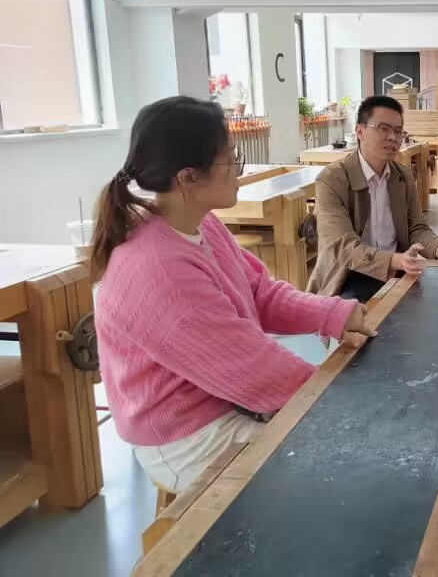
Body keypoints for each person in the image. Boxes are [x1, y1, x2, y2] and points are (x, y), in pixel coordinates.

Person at [91, 96, 370, 492]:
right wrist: (340, 396)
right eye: (231, 160)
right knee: (332, 475)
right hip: (188, 434)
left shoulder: (200, 225)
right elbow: (251, 369)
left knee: (345, 453)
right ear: (188, 177)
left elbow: (259, 292)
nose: (240, 171)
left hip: (225, 398)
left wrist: (333, 314)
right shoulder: (158, 268)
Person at [307, 95, 438, 300]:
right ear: (360, 131)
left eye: (398, 131)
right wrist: (394, 260)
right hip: (347, 277)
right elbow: (343, 248)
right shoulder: (332, 179)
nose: (393, 137)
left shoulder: (402, 176)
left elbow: (416, 228)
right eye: (383, 128)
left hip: (397, 271)